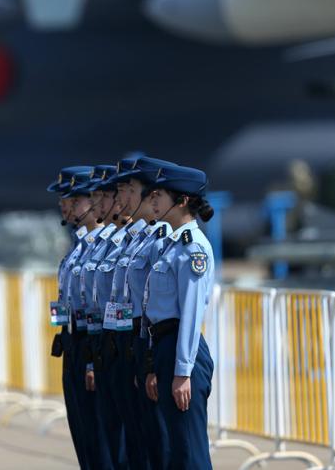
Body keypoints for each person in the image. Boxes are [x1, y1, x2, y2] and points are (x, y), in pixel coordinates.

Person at [143, 165, 216, 470]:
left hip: (181, 350)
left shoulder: (192, 248)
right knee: (175, 451)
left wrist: (182, 372)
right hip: (165, 347)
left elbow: (190, 313)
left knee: (189, 452)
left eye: (160, 195)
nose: (154, 201)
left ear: (182, 200)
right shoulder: (171, 246)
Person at [109, 156, 179, 470]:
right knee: (134, 438)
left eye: (128, 189)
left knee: (159, 443)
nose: (119, 198)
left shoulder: (159, 239)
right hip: (126, 339)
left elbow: (160, 303)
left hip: (150, 339)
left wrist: (149, 356)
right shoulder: (131, 240)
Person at [69, 164, 122, 469]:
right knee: (91, 435)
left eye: (77, 199)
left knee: (121, 442)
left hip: (115, 343)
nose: (67, 206)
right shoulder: (85, 247)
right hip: (86, 341)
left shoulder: (114, 247)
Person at [48, 165, 101, 469]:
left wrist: (93, 360)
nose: (64, 206)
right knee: (85, 436)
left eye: (72, 199)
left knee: (106, 441)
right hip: (74, 343)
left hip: (94, 345)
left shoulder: (102, 248)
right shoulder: (77, 248)